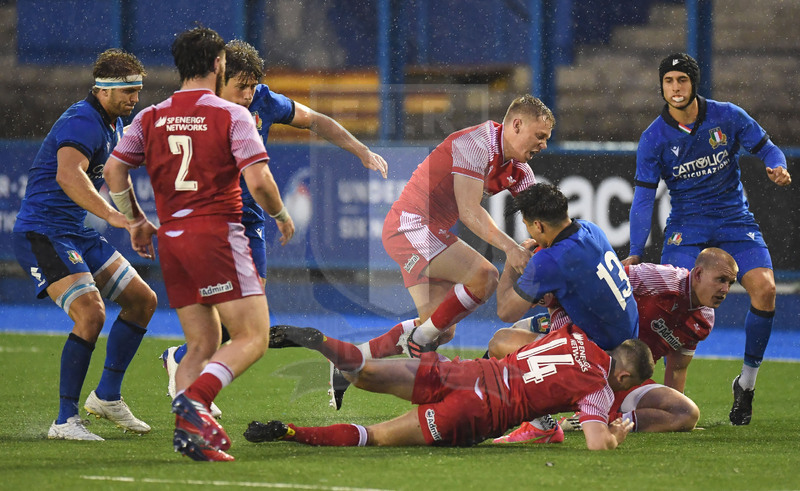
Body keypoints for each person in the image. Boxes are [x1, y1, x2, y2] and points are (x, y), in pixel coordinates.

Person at [158, 39, 389, 418]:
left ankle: (183, 362)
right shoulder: (200, 108)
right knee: (232, 315)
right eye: (241, 87)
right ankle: (192, 389)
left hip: (248, 220)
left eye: (253, 86)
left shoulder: (263, 101)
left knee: (251, 313)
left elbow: (317, 120)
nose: (248, 95)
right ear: (219, 79)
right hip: (210, 220)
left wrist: (360, 149)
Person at [103, 27, 293, 462]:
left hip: (173, 241)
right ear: (218, 65)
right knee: (253, 336)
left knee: (204, 342)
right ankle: (192, 404)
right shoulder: (231, 115)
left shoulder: (151, 116)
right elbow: (259, 181)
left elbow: (114, 172)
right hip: (217, 235)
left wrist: (135, 221)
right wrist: (281, 215)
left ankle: (190, 437)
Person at [321, 95, 554, 410]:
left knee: (440, 332)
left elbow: (544, 223)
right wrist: (512, 248)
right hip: (410, 225)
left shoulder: (520, 171)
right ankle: (419, 341)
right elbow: (470, 212)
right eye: (540, 136)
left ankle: (348, 361)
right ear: (516, 124)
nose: (543, 145)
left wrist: (557, 247)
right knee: (485, 276)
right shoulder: (477, 143)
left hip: (431, 232)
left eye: (547, 139)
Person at [622, 53, 792, 426]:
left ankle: (745, 384)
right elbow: (644, 197)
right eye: (668, 81)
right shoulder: (654, 137)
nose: (675, 88)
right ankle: (666, 403)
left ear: (694, 84)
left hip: (734, 220)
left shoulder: (727, 115)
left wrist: (775, 165)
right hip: (688, 226)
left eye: (682, 80)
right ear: (662, 86)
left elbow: (767, 147)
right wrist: (636, 251)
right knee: (678, 302)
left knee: (765, 290)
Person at [11, 49, 156, 441]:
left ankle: (106, 397)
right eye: (127, 91)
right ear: (102, 90)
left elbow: (115, 173)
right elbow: (68, 175)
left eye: (137, 90)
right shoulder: (83, 120)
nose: (134, 98)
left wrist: (135, 221)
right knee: (91, 313)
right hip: (45, 232)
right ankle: (64, 421)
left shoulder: (114, 121)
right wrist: (112, 216)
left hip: (77, 233)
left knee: (143, 301)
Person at [247, 324, 654, 450]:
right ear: (623, 378)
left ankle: (319, 342)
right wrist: (616, 432)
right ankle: (289, 432)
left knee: (365, 372)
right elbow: (597, 443)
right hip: (477, 414)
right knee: (376, 437)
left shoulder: (572, 335)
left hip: (464, 373)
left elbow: (512, 338)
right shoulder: (600, 388)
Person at [491, 247, 738, 442]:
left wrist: (667, 414)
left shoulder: (704, 320)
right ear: (698, 274)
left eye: (730, 282)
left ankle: (599, 419)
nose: (725, 289)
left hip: (625, 379)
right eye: (720, 280)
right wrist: (566, 315)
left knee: (686, 414)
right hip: (586, 355)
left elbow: (677, 368)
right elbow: (605, 283)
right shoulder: (662, 278)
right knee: (504, 341)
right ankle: (518, 411)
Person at [492, 182, 640, 442]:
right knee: (525, 329)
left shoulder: (549, 261)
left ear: (538, 225)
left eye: (528, 225)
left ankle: (542, 426)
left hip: (598, 361)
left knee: (500, 343)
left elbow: (505, 310)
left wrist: (511, 261)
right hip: (627, 351)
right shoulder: (590, 229)